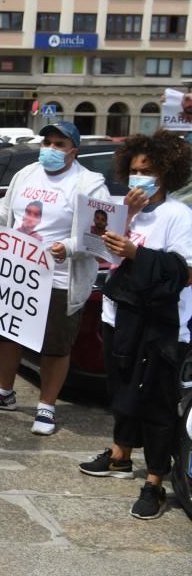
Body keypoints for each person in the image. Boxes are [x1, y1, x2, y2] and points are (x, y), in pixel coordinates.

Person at [0, 121, 110, 435]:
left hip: (58, 278)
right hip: (16, 271)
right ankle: (4, 392)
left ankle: (46, 407)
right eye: (48, 142)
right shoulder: (26, 173)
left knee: (54, 345)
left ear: (74, 150)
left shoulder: (90, 183)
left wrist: (68, 247)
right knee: (5, 332)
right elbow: (6, 215)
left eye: (60, 144)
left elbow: (98, 235)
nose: (51, 149)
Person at [78, 131, 192, 519]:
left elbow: (185, 272)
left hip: (159, 326)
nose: (139, 178)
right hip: (119, 317)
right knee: (122, 389)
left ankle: (156, 480)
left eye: (149, 171)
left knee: (158, 404)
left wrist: (136, 252)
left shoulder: (178, 215)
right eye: (134, 170)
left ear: (166, 174)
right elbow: (99, 249)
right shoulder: (121, 209)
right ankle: (120, 454)